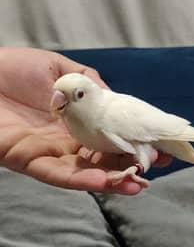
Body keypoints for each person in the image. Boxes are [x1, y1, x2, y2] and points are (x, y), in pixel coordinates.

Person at [0, 47, 172, 196]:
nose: (58, 100)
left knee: (148, 155)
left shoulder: (111, 114)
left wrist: (134, 169)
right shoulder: (72, 122)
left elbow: (146, 148)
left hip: (160, 134)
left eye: (79, 95)